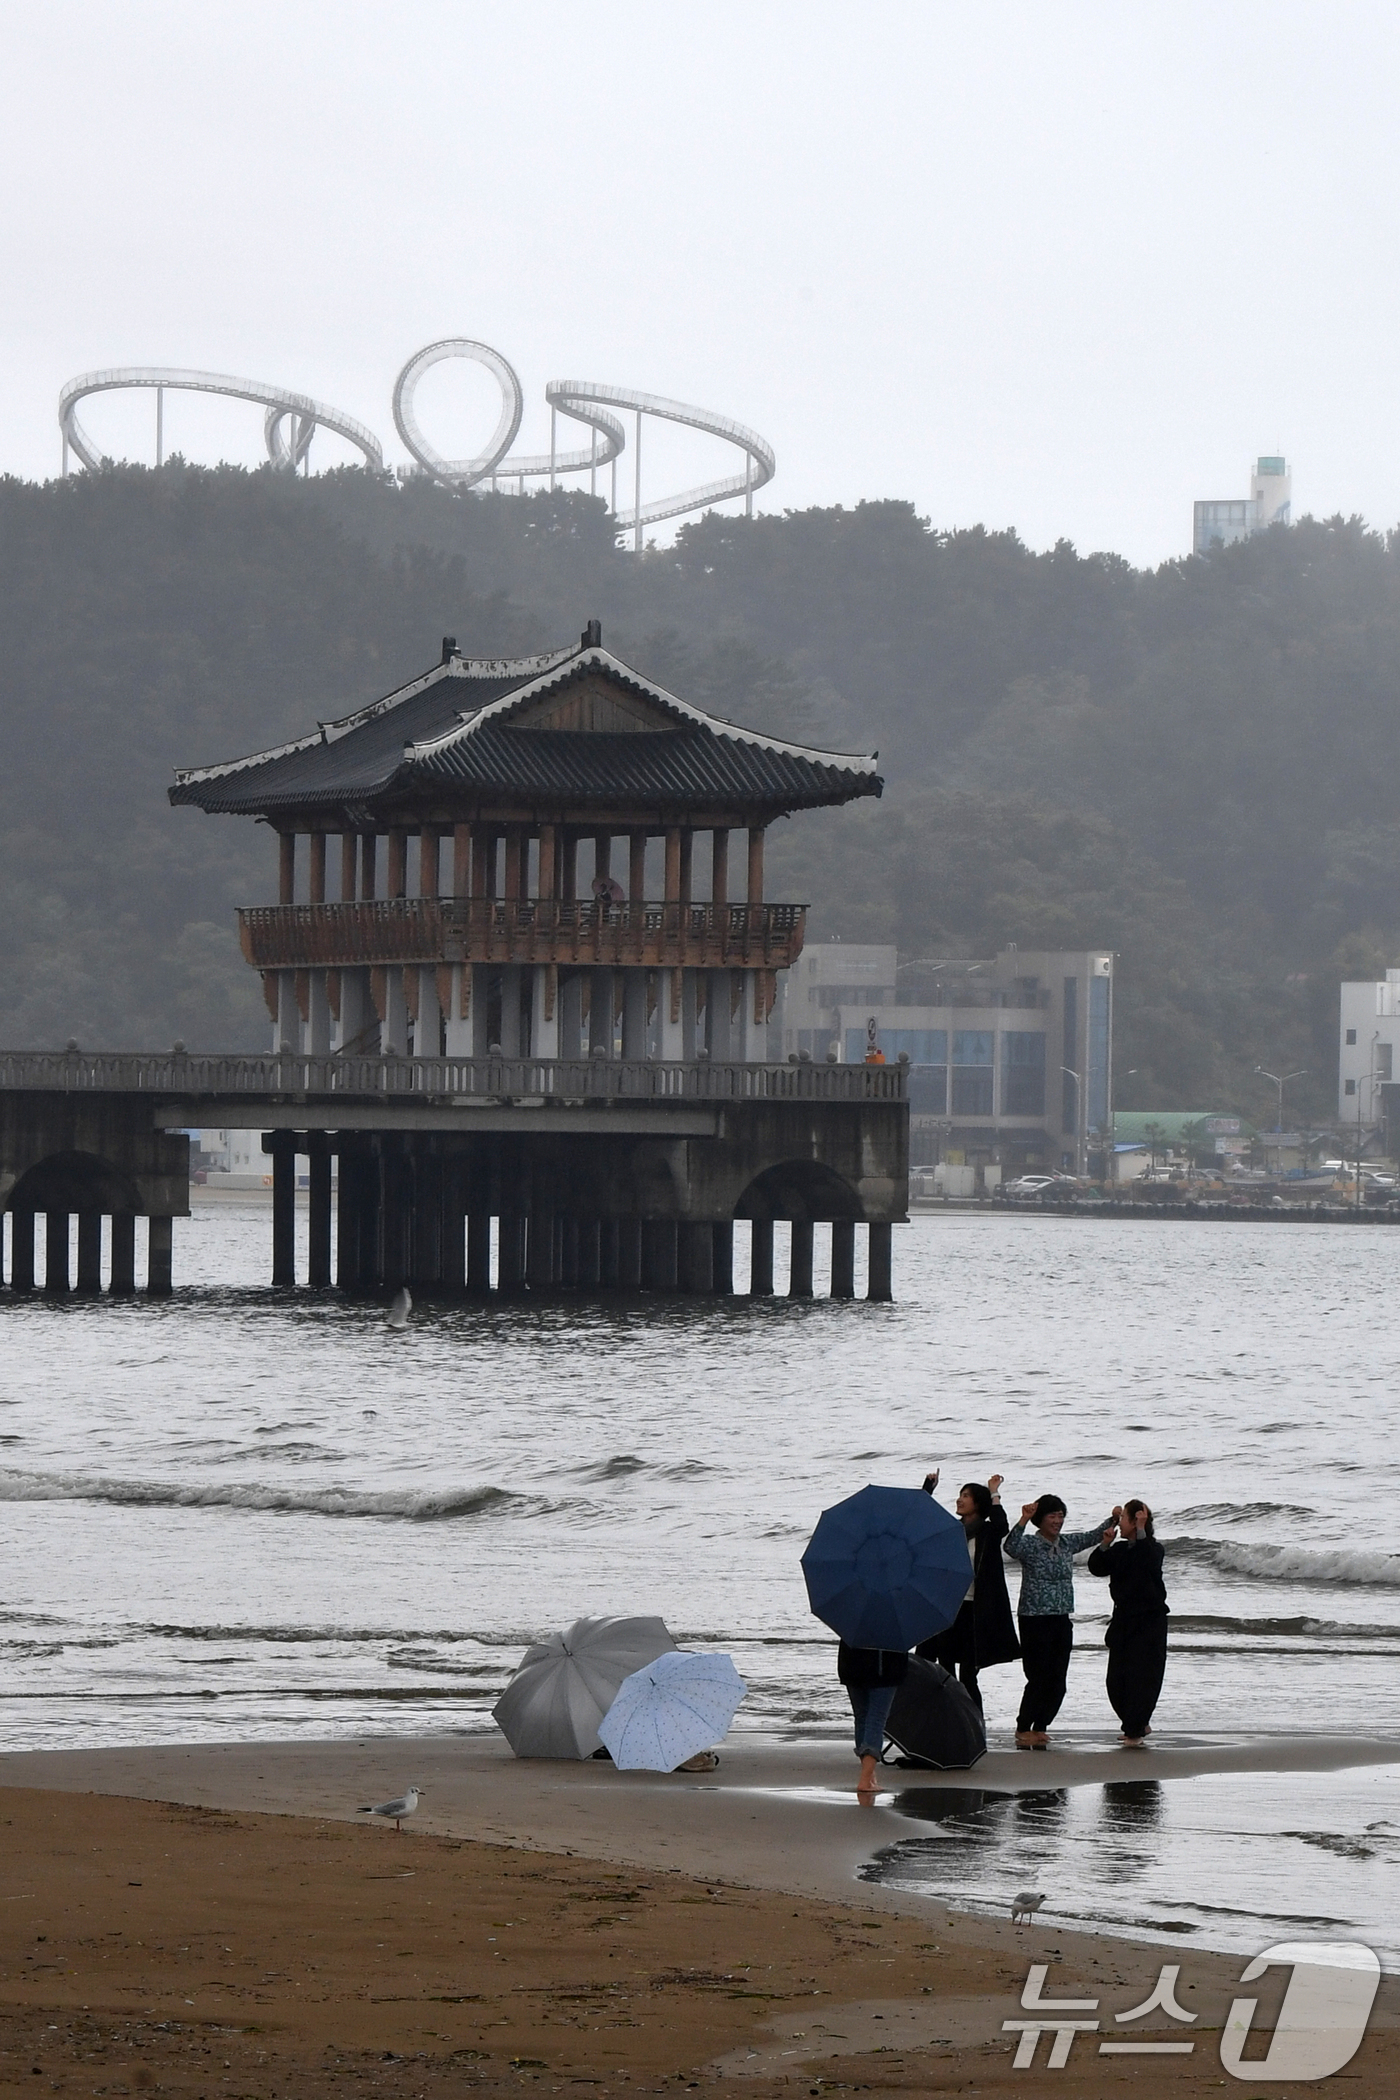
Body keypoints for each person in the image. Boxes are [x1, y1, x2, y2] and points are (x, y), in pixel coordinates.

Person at [1004, 1492, 1117, 1746]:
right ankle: (1023, 1726)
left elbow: (1092, 1535)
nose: (1057, 1520)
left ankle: (1041, 1725)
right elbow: (1010, 1546)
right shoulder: (1031, 1545)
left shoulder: (1066, 1543)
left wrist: (1114, 1518)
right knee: (1038, 1676)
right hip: (1034, 1617)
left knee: (1058, 1678)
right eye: (1052, 1516)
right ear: (1040, 1519)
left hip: (1061, 1617)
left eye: (1061, 1515)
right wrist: (1023, 1519)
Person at [916, 1469, 1020, 1710]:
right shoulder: (950, 1531)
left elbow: (1001, 1524)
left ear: (978, 1503)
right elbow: (922, 1519)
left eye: (965, 1495)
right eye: (960, 1494)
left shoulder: (987, 1533)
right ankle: (944, 1719)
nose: (959, 1499)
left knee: (969, 1675)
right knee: (943, 1671)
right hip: (948, 1609)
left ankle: (974, 1724)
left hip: (975, 1612)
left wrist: (994, 1492)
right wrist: (927, 1489)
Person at [1086, 1499, 1169, 1746]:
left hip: (1150, 1621)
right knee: (1116, 1679)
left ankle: (1135, 1729)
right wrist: (1105, 1543)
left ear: (1136, 1521)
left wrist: (1142, 1529)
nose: (1120, 1522)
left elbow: (1147, 1560)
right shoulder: (1120, 1550)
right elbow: (1096, 1567)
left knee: (1144, 1676)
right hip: (1124, 1620)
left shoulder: (1154, 1549)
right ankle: (1134, 1723)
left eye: (1124, 1518)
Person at [836, 1638, 908, 1796]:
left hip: (851, 1664)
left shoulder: (851, 1615)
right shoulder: (895, 1619)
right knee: (876, 1718)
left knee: (862, 1717)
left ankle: (868, 1773)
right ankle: (865, 1777)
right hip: (883, 1668)